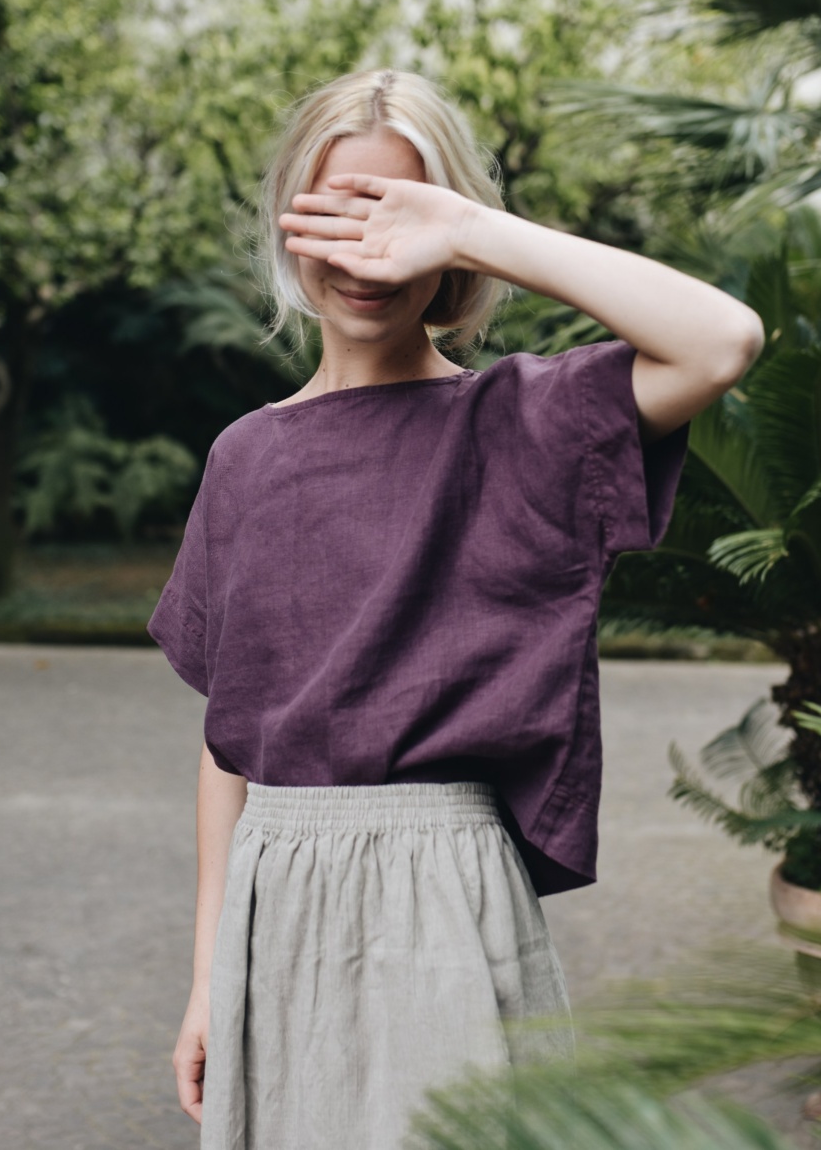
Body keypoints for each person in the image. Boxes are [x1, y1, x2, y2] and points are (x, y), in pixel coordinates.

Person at [147, 67, 765, 1149]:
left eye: (398, 212)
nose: (368, 251)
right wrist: (205, 977)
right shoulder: (244, 456)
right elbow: (227, 742)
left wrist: (471, 227)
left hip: (443, 895)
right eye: (337, 208)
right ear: (289, 222)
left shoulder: (522, 421)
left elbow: (718, 342)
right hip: (274, 895)